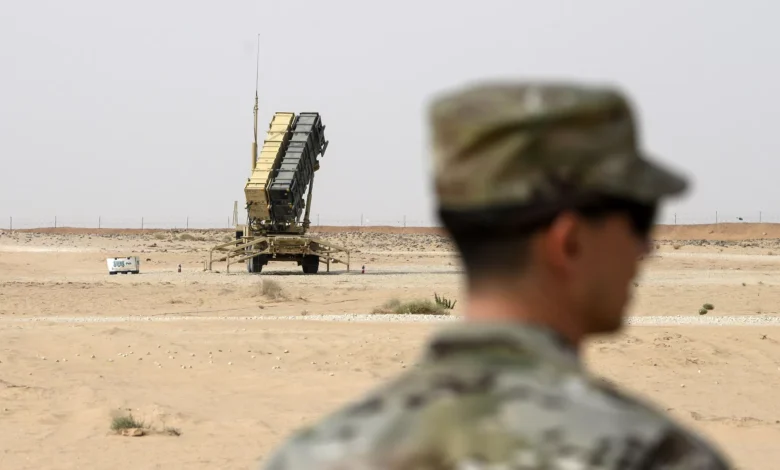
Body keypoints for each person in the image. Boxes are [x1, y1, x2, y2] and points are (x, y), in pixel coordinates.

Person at [259, 81, 733, 469]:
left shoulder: (314, 455)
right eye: (640, 221)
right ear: (568, 241)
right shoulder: (657, 457)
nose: (646, 248)